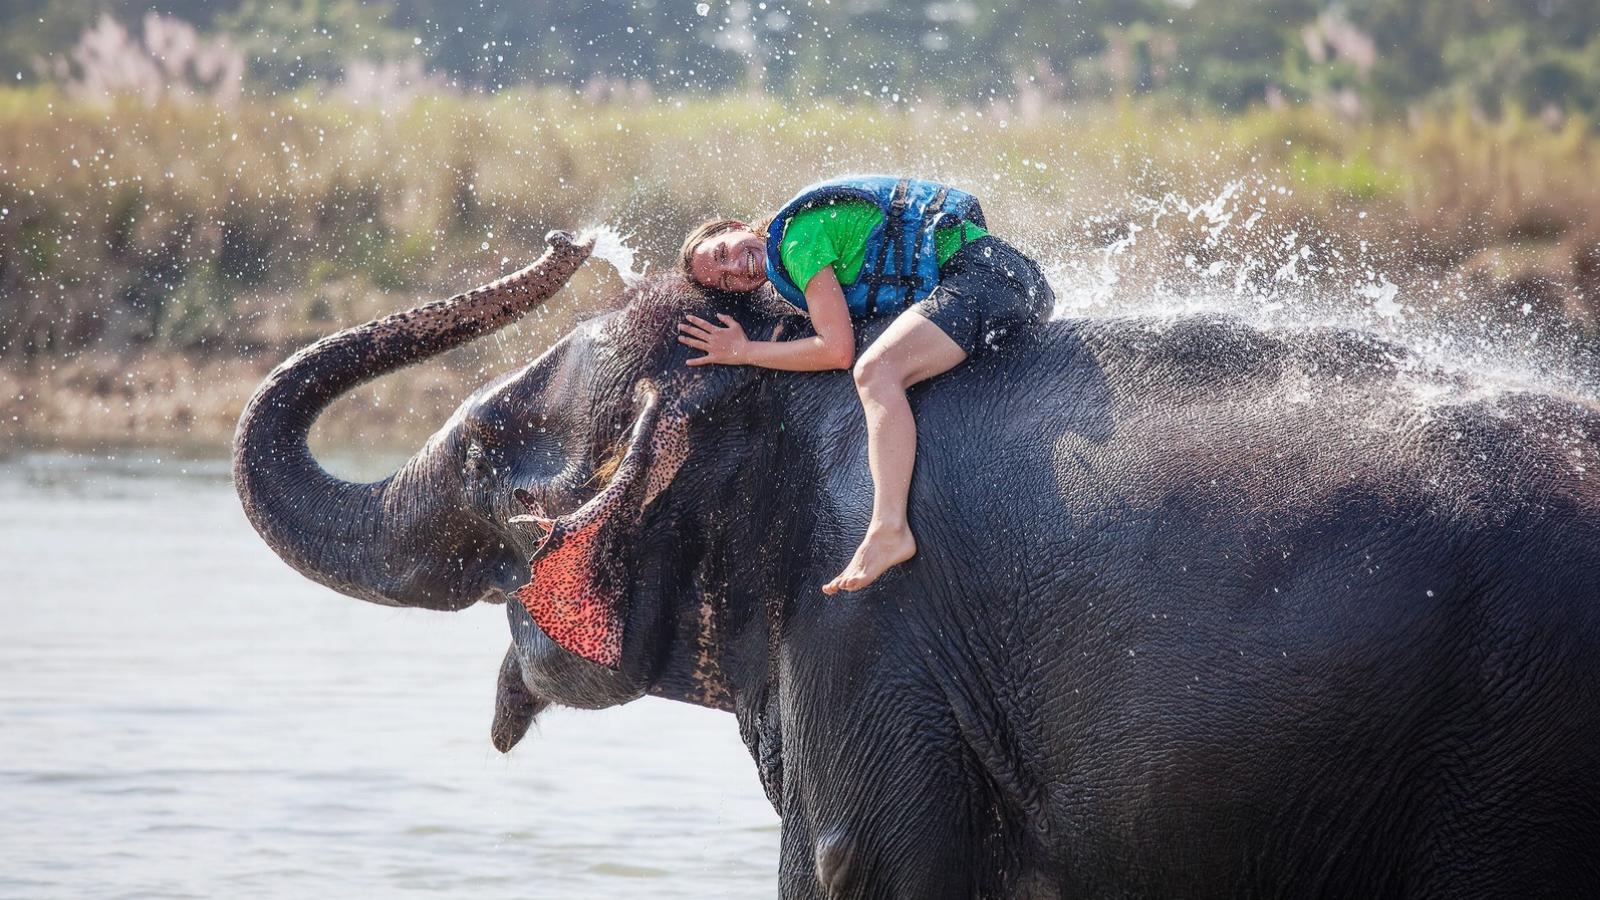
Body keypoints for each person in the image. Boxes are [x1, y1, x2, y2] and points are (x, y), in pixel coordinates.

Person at [676, 175, 1053, 593]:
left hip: (987, 277)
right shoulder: (795, 261)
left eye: (724, 252)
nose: (735, 268)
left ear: (737, 227)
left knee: (876, 371)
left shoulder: (795, 243)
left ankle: (889, 529)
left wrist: (744, 352)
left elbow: (837, 350)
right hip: (1004, 278)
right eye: (725, 280)